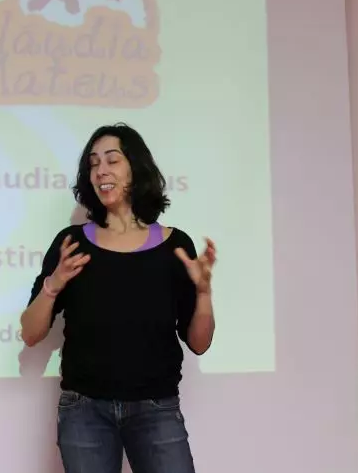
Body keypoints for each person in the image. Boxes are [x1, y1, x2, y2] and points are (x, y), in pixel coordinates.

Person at [20, 123, 216, 473]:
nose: (101, 171)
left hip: (156, 408)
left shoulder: (175, 246)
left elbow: (200, 343)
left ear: (135, 169)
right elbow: (31, 333)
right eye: (93, 164)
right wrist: (53, 284)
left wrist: (203, 293)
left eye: (112, 160)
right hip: (85, 411)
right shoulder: (71, 243)